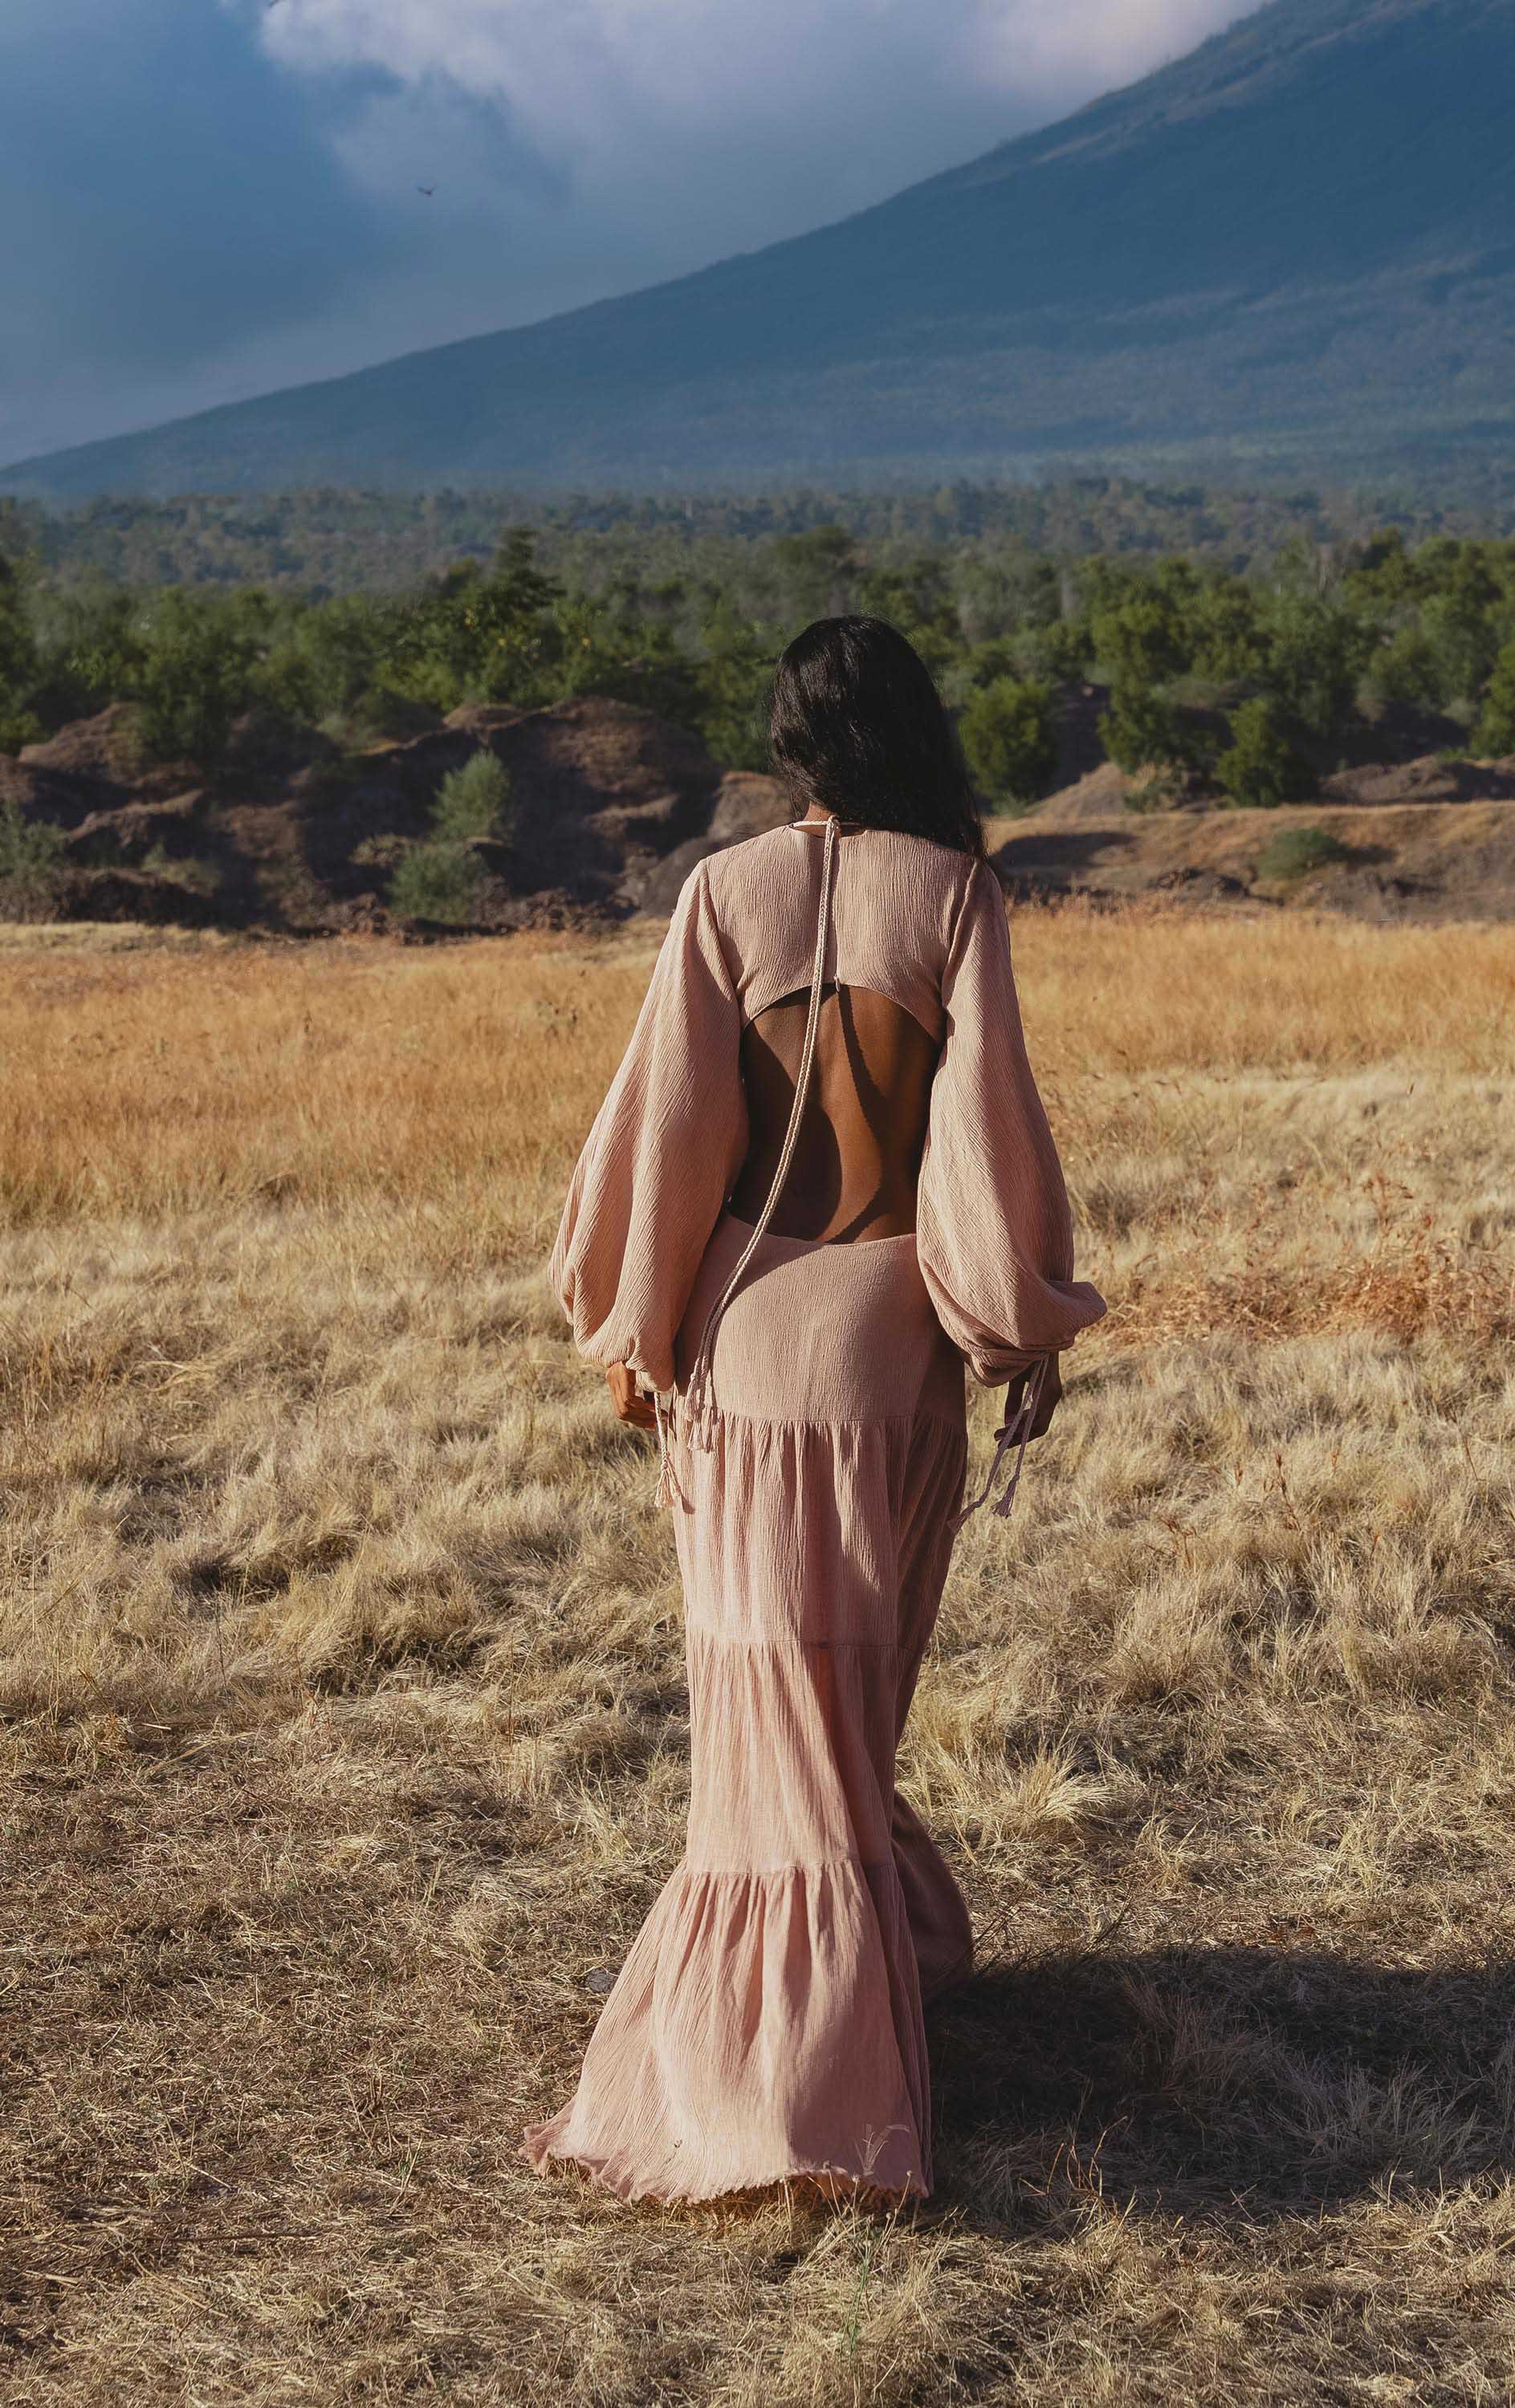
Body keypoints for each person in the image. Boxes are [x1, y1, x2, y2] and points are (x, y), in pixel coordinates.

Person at [523, 615, 1106, 2210]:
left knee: (755, 1712)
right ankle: (835, 2039)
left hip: (736, 1337)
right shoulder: (958, 896)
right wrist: (1017, 1329)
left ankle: (765, 2053)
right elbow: (982, 1147)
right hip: (882, 1344)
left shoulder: (722, 894)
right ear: (911, 729)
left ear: (790, 739)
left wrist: (642, 1331)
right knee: (847, 1703)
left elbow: (670, 1134)